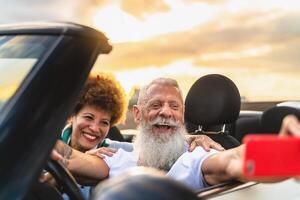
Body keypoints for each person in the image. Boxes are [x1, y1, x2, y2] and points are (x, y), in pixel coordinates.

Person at [55, 77, 278, 191]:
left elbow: (234, 160)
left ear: (182, 115)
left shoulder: (196, 156)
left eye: (174, 106)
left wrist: (287, 152)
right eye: (155, 105)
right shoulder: (119, 158)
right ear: (138, 115)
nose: (166, 112)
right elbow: (69, 158)